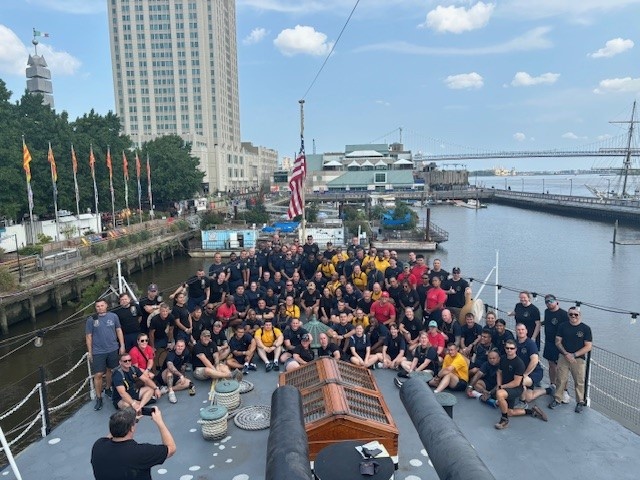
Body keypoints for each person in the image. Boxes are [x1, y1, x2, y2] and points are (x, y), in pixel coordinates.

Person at [91, 406, 175, 480]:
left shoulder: (98, 446)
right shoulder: (141, 453)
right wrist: (160, 422)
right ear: (131, 429)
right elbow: (171, 448)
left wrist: (132, 421)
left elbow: (112, 434)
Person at [494, 339, 547, 430]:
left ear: (515, 349)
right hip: (506, 387)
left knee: (500, 394)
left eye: (512, 348)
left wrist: (501, 387)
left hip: (516, 389)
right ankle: (531, 411)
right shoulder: (503, 358)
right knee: (509, 412)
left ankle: (504, 420)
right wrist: (499, 385)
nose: (509, 350)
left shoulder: (519, 363)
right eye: (507, 348)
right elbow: (499, 372)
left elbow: (516, 383)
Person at [549, 307, 593, 413]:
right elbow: (558, 341)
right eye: (571, 314)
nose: (573, 316)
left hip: (578, 360)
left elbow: (588, 346)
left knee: (579, 381)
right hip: (563, 357)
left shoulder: (586, 328)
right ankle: (557, 399)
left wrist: (574, 354)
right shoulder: (562, 326)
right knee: (560, 379)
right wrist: (566, 354)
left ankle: (580, 402)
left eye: (576, 314)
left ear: (580, 315)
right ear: (568, 315)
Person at [86, 298, 126, 411]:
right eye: (97, 306)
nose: (100, 308)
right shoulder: (91, 320)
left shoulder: (113, 317)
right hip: (98, 351)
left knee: (111, 370)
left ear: (106, 305)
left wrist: (122, 345)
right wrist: (90, 352)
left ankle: (108, 388)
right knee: (98, 374)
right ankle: (99, 398)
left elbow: (118, 330)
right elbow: (89, 336)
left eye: (102, 305)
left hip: (113, 348)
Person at [542, 295, 570, 401]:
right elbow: (547, 322)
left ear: (556, 302)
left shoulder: (564, 314)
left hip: (560, 344)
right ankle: (553, 385)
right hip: (549, 343)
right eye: (547, 302)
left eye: (551, 301)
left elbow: (569, 326)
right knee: (551, 365)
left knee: (562, 368)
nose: (549, 303)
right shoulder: (546, 312)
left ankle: (565, 390)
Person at [159, 339, 192, 404]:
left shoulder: (186, 353)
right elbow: (170, 366)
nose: (180, 348)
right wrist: (181, 375)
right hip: (164, 377)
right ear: (175, 346)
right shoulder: (171, 354)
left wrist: (183, 376)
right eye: (178, 346)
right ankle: (171, 393)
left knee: (188, 383)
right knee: (170, 370)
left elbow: (183, 365)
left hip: (175, 376)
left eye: (182, 346)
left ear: (184, 347)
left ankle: (167, 390)